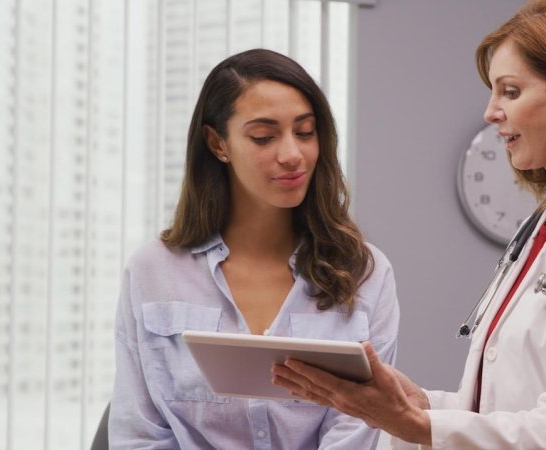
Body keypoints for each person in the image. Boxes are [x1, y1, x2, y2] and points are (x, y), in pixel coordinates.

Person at [272, 1, 546, 448]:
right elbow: (501, 410)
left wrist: (415, 425)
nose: (491, 112)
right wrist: (418, 406)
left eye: (510, 92)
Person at [109, 48, 400, 449]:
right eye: (263, 137)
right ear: (217, 144)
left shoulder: (366, 273)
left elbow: (358, 431)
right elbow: (138, 434)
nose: (292, 155)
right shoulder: (152, 271)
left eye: (305, 132)